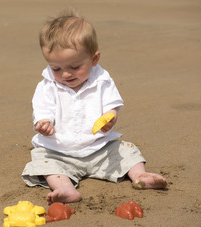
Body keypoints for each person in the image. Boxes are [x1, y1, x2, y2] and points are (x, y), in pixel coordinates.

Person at [21, 9, 167, 204]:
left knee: (126, 150)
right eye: (56, 68)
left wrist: (110, 118)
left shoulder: (102, 81)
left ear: (94, 59)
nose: (66, 74)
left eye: (75, 67)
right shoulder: (47, 85)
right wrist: (44, 123)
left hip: (99, 148)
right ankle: (65, 188)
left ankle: (140, 175)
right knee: (43, 160)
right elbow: (42, 108)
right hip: (59, 151)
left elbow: (111, 106)